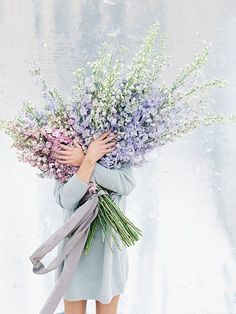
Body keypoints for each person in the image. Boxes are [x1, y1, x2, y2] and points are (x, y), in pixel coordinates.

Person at [52, 131, 136, 314]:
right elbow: (66, 199)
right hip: (75, 248)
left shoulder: (116, 142)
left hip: (109, 248)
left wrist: (84, 160)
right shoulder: (66, 144)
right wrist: (89, 160)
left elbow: (125, 184)